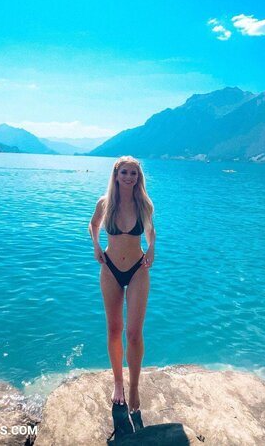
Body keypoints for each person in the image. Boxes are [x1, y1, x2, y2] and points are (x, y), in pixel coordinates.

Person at [89, 156, 155, 413]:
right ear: (116, 175)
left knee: (134, 333)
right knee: (115, 329)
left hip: (138, 269)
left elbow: (150, 230)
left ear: (139, 177)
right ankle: (118, 383)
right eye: (125, 172)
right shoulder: (105, 203)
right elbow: (93, 224)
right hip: (110, 269)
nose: (129, 177)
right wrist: (96, 246)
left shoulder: (144, 204)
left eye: (133, 173)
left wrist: (152, 247)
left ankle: (134, 386)